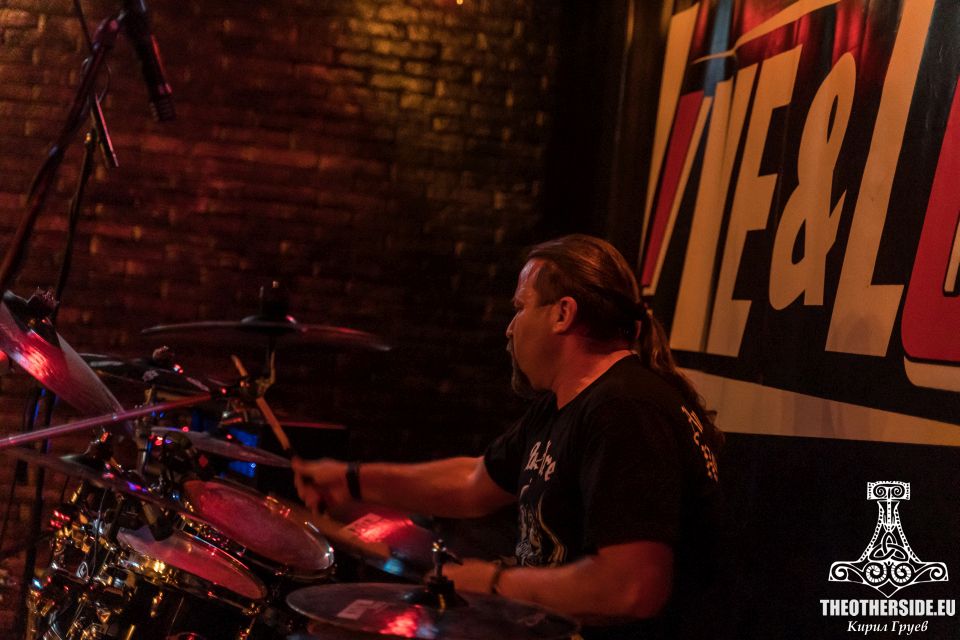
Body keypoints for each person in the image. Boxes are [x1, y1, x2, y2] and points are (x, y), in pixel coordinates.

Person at [293, 234, 723, 639]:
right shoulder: (565, 406)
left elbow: (633, 587)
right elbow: (474, 482)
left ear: (562, 314)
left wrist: (495, 583)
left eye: (520, 306)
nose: (510, 327)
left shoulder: (625, 410)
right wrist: (352, 480)